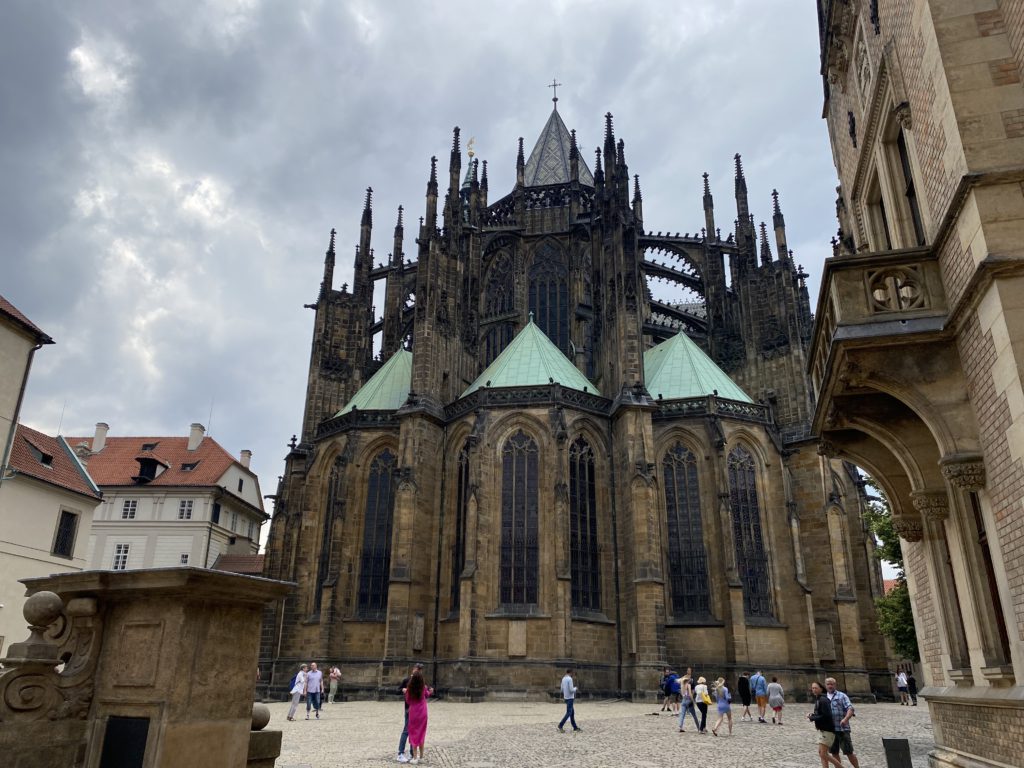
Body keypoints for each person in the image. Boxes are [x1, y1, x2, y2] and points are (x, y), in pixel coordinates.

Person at [825, 677, 860, 768]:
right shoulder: (823, 698)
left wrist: (845, 719)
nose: (830, 686)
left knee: (849, 752)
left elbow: (850, 708)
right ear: (825, 685)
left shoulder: (842, 696)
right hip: (830, 730)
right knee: (834, 752)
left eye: (832, 684)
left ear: (835, 685)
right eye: (828, 684)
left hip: (842, 729)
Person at [807, 680, 842, 768]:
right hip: (822, 729)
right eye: (813, 688)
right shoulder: (819, 699)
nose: (814, 690)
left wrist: (812, 718)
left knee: (823, 754)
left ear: (821, 689)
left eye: (816, 688)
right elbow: (820, 713)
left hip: (827, 730)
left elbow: (826, 715)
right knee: (821, 753)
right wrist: (813, 715)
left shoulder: (823, 700)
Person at [397, 662, 425, 763]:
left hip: (415, 711)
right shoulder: (407, 680)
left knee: (414, 732)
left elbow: (425, 692)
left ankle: (412, 753)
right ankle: (400, 753)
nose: (419, 671)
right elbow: (398, 690)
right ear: (413, 669)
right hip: (409, 709)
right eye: (418, 669)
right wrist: (403, 690)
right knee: (406, 731)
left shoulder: (420, 681)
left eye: (420, 669)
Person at [405, 668, 433, 765]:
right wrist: (431, 692)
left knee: (413, 734)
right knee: (421, 733)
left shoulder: (409, 688)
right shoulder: (423, 687)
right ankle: (421, 757)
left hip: (414, 713)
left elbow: (408, 701)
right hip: (423, 713)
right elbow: (427, 694)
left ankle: (415, 757)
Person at [557, 668, 582, 732]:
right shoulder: (569, 679)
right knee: (569, 713)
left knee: (572, 713)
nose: (572, 674)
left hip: (566, 698)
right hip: (570, 698)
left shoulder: (563, 679)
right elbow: (571, 690)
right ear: (570, 672)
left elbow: (562, 689)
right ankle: (560, 725)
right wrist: (575, 688)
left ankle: (575, 727)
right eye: (572, 673)